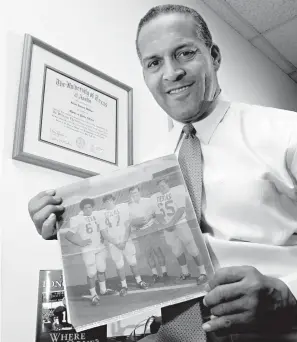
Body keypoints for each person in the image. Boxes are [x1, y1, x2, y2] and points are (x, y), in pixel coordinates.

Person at [28, 3, 297, 341]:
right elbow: (134, 260)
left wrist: (288, 294)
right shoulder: (147, 167)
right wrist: (71, 232)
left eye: (184, 53)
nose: (171, 72)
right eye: (154, 62)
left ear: (213, 56)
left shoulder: (287, 133)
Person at [152, 178, 207, 283]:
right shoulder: (155, 197)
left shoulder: (177, 191)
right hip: (167, 228)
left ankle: (203, 273)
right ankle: (185, 273)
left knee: (192, 248)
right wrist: (165, 225)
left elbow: (181, 209)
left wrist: (171, 223)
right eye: (159, 187)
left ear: (168, 184)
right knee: (177, 251)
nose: (161, 188)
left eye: (163, 185)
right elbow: (157, 213)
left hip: (181, 224)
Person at [65, 198, 116, 306]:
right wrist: (80, 242)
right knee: (91, 272)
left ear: (93, 207)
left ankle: (103, 290)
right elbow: (68, 235)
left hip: (100, 247)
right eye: (85, 208)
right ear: (82, 209)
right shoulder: (77, 219)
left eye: (90, 207)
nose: (88, 209)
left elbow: (103, 230)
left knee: (101, 269)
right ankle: (93, 294)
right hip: (88, 249)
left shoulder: (98, 215)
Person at [100, 194, 149, 296]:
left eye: (110, 200)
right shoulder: (101, 214)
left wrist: (124, 240)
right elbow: (104, 233)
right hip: (114, 244)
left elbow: (128, 225)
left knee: (133, 262)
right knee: (119, 265)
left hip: (126, 240)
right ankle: (124, 286)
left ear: (114, 200)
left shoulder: (122, 208)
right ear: (104, 204)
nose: (108, 202)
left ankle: (139, 281)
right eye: (106, 201)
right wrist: (116, 243)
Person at [128, 185, 168, 283]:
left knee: (157, 250)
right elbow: (130, 221)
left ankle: (164, 273)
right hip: (141, 231)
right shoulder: (129, 206)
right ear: (130, 195)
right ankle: (155, 274)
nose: (135, 194)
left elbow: (156, 213)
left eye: (136, 192)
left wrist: (149, 217)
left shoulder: (148, 200)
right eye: (133, 193)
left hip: (151, 228)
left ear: (139, 192)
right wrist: (137, 223)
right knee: (148, 253)